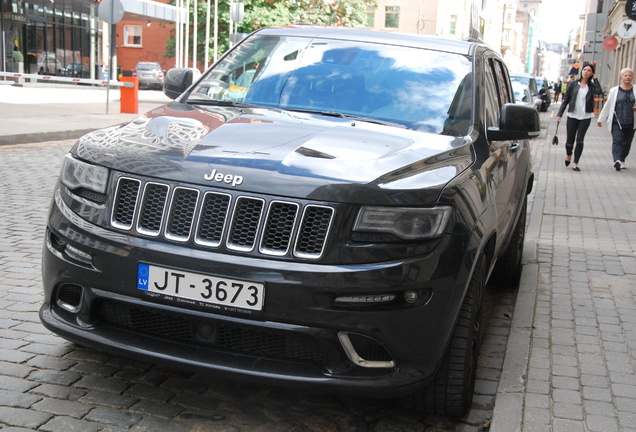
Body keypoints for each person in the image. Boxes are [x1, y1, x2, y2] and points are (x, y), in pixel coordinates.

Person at [556, 63, 602, 171]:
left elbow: (599, 92)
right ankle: (568, 154)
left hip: (585, 116)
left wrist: (595, 80)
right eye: (584, 69)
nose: (586, 72)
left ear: (592, 73)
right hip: (572, 115)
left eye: (589, 70)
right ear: (581, 71)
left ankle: (575, 163)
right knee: (570, 140)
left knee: (580, 140)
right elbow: (566, 99)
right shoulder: (573, 84)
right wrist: (559, 114)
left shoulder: (592, 86)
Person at [597, 68, 636, 171]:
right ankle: (617, 160)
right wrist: (601, 119)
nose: (628, 77)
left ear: (632, 77)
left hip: (631, 122)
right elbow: (608, 105)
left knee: (627, 142)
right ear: (621, 78)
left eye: (630, 75)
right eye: (625, 75)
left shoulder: (635, 89)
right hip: (616, 121)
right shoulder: (615, 90)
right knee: (617, 140)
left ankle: (622, 159)